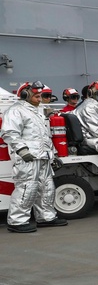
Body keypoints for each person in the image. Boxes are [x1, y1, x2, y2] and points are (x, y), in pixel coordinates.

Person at [1, 81, 68, 232]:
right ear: (25, 94)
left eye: (40, 95)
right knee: (27, 187)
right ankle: (17, 221)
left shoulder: (38, 111)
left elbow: (45, 136)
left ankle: (46, 217)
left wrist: (54, 155)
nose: (39, 99)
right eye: (36, 96)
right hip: (27, 156)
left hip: (43, 156)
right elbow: (9, 133)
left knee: (46, 188)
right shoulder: (16, 110)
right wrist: (22, 150)